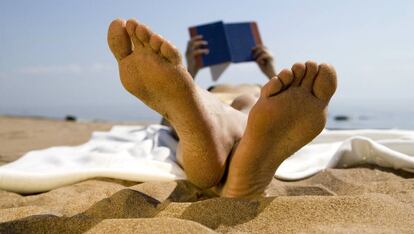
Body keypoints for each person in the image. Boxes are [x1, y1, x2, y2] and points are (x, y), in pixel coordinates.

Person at [107, 18, 337, 198]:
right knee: (248, 101)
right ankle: (224, 128)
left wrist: (191, 75)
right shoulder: (269, 91)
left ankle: (215, 123)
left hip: (212, 98)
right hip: (242, 99)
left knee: (189, 124)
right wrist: (270, 73)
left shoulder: (213, 91)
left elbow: (164, 125)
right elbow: (283, 97)